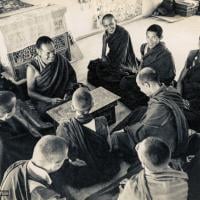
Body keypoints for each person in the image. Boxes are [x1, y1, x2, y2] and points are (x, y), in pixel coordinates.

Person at [111, 67, 188, 163]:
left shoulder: (159, 106)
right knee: (140, 110)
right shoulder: (171, 91)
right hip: (171, 128)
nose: (140, 90)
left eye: (140, 87)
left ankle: (113, 140)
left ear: (147, 85)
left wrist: (126, 130)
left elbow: (143, 131)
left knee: (116, 137)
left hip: (166, 143)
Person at [56, 87, 120, 188]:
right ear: (93, 105)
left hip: (83, 171)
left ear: (72, 107)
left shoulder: (64, 128)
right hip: (103, 166)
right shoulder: (101, 122)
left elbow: (66, 155)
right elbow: (109, 147)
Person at [120, 24, 176, 109]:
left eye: (154, 37)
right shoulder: (144, 47)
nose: (150, 41)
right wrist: (139, 75)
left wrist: (152, 83)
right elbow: (143, 63)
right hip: (143, 76)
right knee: (124, 81)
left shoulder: (166, 54)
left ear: (161, 37)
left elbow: (170, 76)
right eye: (148, 37)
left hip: (154, 83)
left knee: (139, 96)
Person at [118, 137, 188, 200]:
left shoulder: (134, 188)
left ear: (143, 164)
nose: (137, 146)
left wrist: (128, 188)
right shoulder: (181, 173)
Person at [0, 135, 69, 200]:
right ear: (56, 165)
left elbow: (3, 192)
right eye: (64, 158)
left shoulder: (16, 165)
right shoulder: (44, 196)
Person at [87, 13, 138, 95]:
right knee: (97, 68)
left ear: (116, 22)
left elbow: (123, 54)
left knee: (117, 74)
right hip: (112, 56)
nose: (109, 28)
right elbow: (103, 54)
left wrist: (117, 66)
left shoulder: (124, 34)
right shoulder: (105, 35)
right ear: (104, 26)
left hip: (125, 58)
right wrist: (104, 58)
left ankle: (127, 70)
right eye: (106, 26)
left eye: (111, 24)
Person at [27, 36, 77, 114]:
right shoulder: (33, 68)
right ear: (39, 52)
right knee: (50, 112)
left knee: (82, 93)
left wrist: (68, 91)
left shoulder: (60, 59)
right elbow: (31, 92)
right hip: (45, 99)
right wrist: (50, 100)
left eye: (53, 51)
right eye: (48, 53)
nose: (52, 55)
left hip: (63, 94)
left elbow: (71, 77)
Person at [0, 91, 39, 181]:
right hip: (10, 160)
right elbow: (22, 146)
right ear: (7, 115)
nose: (16, 107)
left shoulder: (4, 117)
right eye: (14, 106)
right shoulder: (4, 140)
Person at [177, 36, 200, 131]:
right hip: (182, 95)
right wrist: (179, 97)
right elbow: (179, 81)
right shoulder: (193, 54)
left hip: (196, 104)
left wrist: (190, 104)